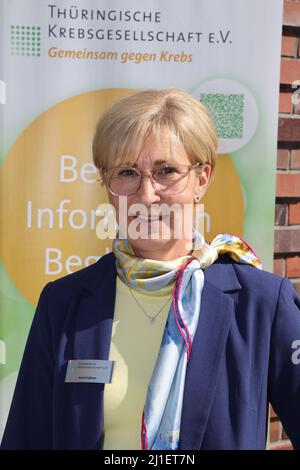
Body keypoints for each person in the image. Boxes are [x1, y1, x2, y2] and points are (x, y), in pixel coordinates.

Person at [1, 88, 300, 450]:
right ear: (106, 185)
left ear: (202, 179)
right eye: (127, 172)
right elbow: (26, 439)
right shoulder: (63, 304)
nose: (146, 194)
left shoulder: (261, 303)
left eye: (167, 171)